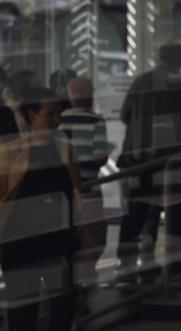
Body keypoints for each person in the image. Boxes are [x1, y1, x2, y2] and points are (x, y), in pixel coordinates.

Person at [0, 86, 86, 331]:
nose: (55, 120)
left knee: (63, 314)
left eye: (57, 114)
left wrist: (77, 226)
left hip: (58, 242)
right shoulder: (10, 152)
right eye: (50, 114)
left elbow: (77, 191)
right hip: (20, 244)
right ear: (31, 115)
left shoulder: (64, 149)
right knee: (22, 319)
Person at [117, 43, 181, 272]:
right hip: (164, 160)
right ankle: (152, 254)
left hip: (137, 157)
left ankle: (126, 256)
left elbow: (125, 115)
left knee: (135, 205)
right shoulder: (176, 84)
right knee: (157, 204)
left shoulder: (141, 81)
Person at [58, 76, 110, 285]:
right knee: (94, 241)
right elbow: (100, 158)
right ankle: (83, 288)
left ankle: (72, 286)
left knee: (71, 244)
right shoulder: (96, 120)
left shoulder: (58, 120)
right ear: (90, 96)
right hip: (89, 192)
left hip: (65, 194)